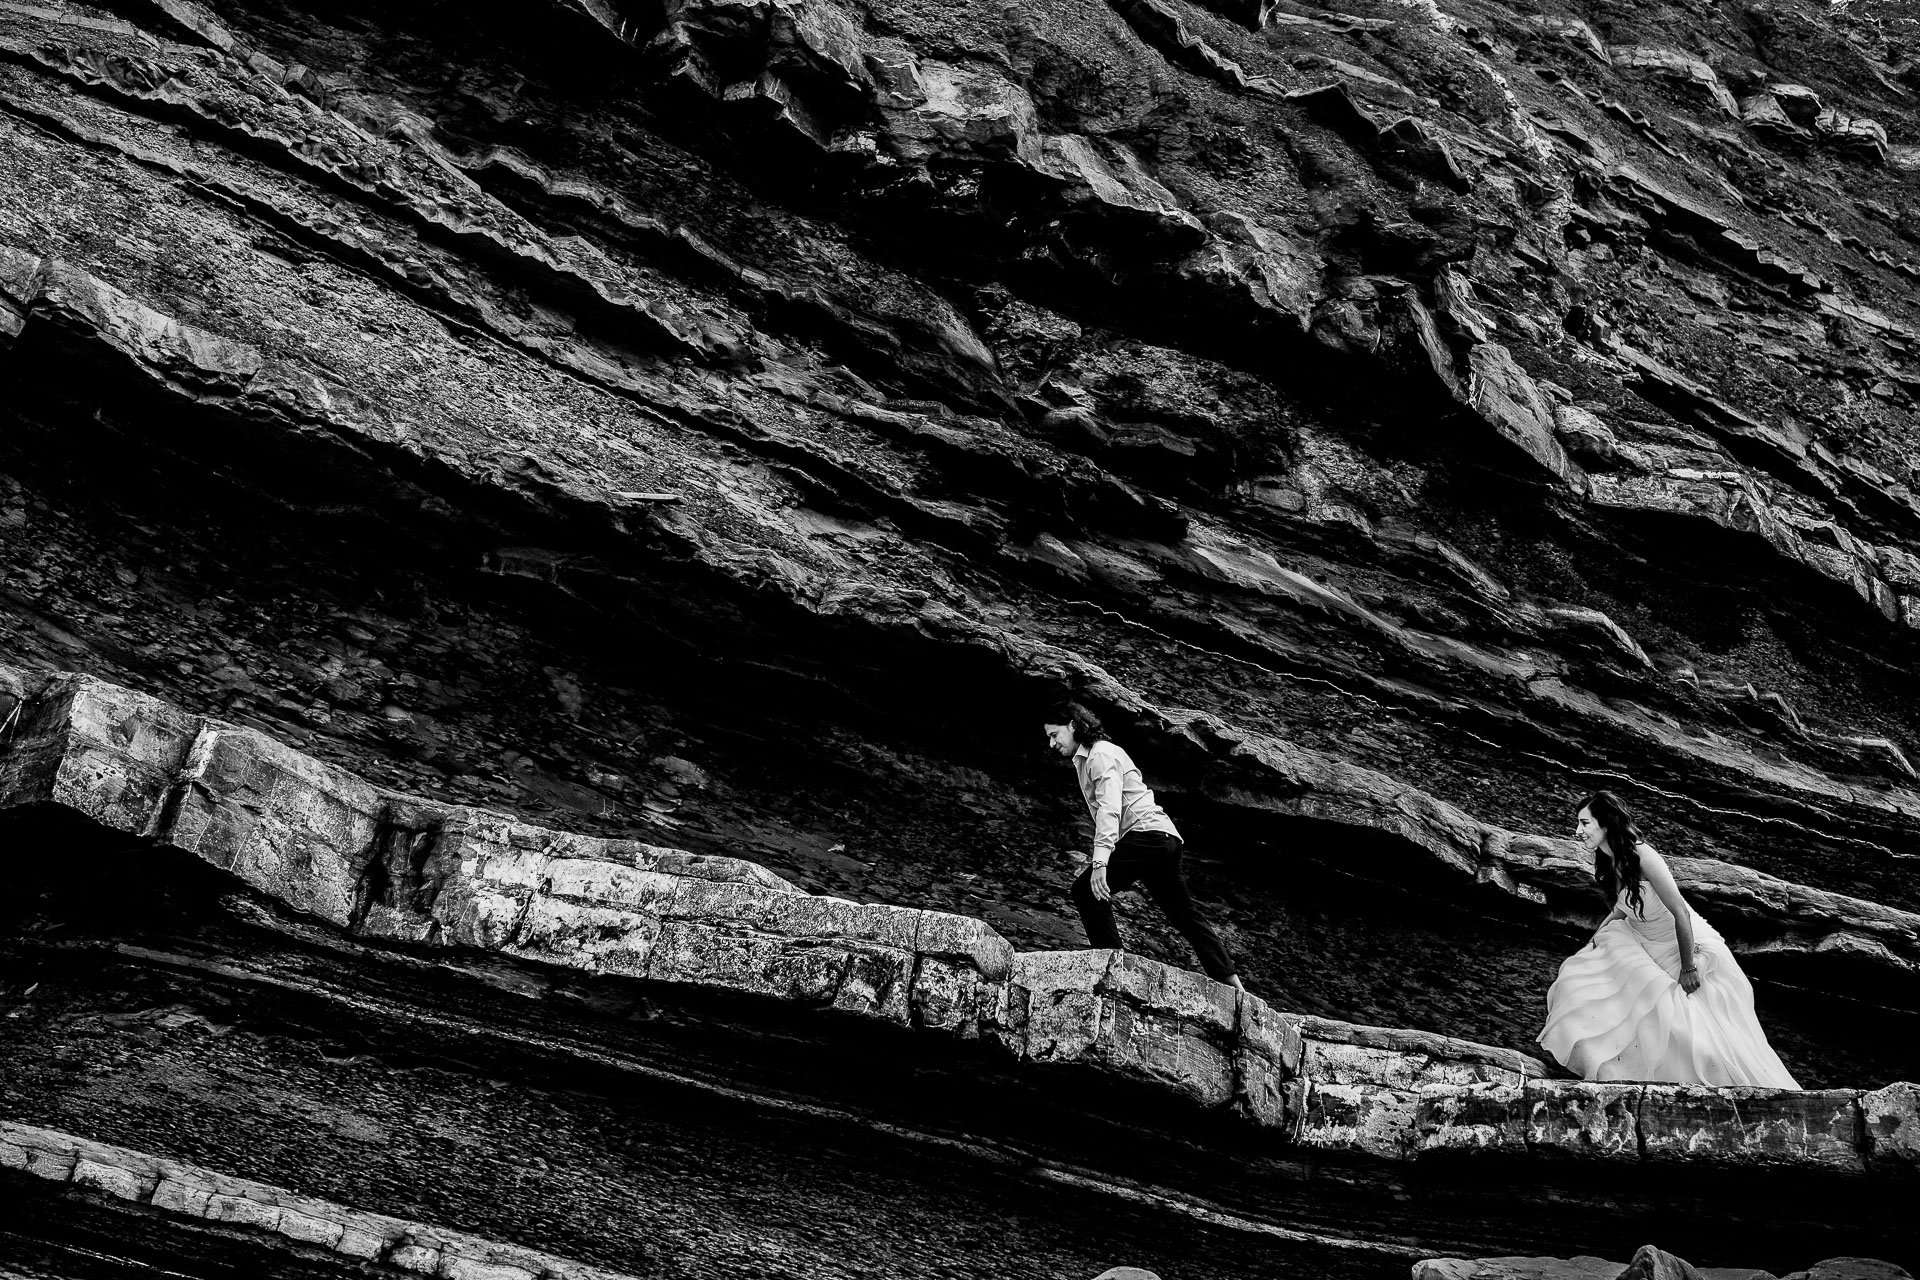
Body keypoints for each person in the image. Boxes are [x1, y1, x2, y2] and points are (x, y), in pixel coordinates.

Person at [1537, 790, 1799, 1087]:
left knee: (1699, 1037)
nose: (1578, 831)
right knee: (1594, 973)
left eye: (1585, 823)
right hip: (1649, 943)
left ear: (1606, 823)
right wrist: (1592, 940)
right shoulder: (1609, 858)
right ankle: (1623, 1077)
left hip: (1686, 947)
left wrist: (1688, 968)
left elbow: (1680, 913)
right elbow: (1622, 910)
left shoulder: (1643, 856)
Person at [1043, 702, 1244, 993]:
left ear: (1073, 726)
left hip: (1147, 835)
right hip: (1165, 838)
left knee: (1086, 891)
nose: (1051, 743)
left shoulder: (1099, 754)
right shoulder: (1090, 756)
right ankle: (1233, 985)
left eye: (1054, 734)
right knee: (1184, 914)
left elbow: (1109, 809)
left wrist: (1100, 864)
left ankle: (1113, 972)